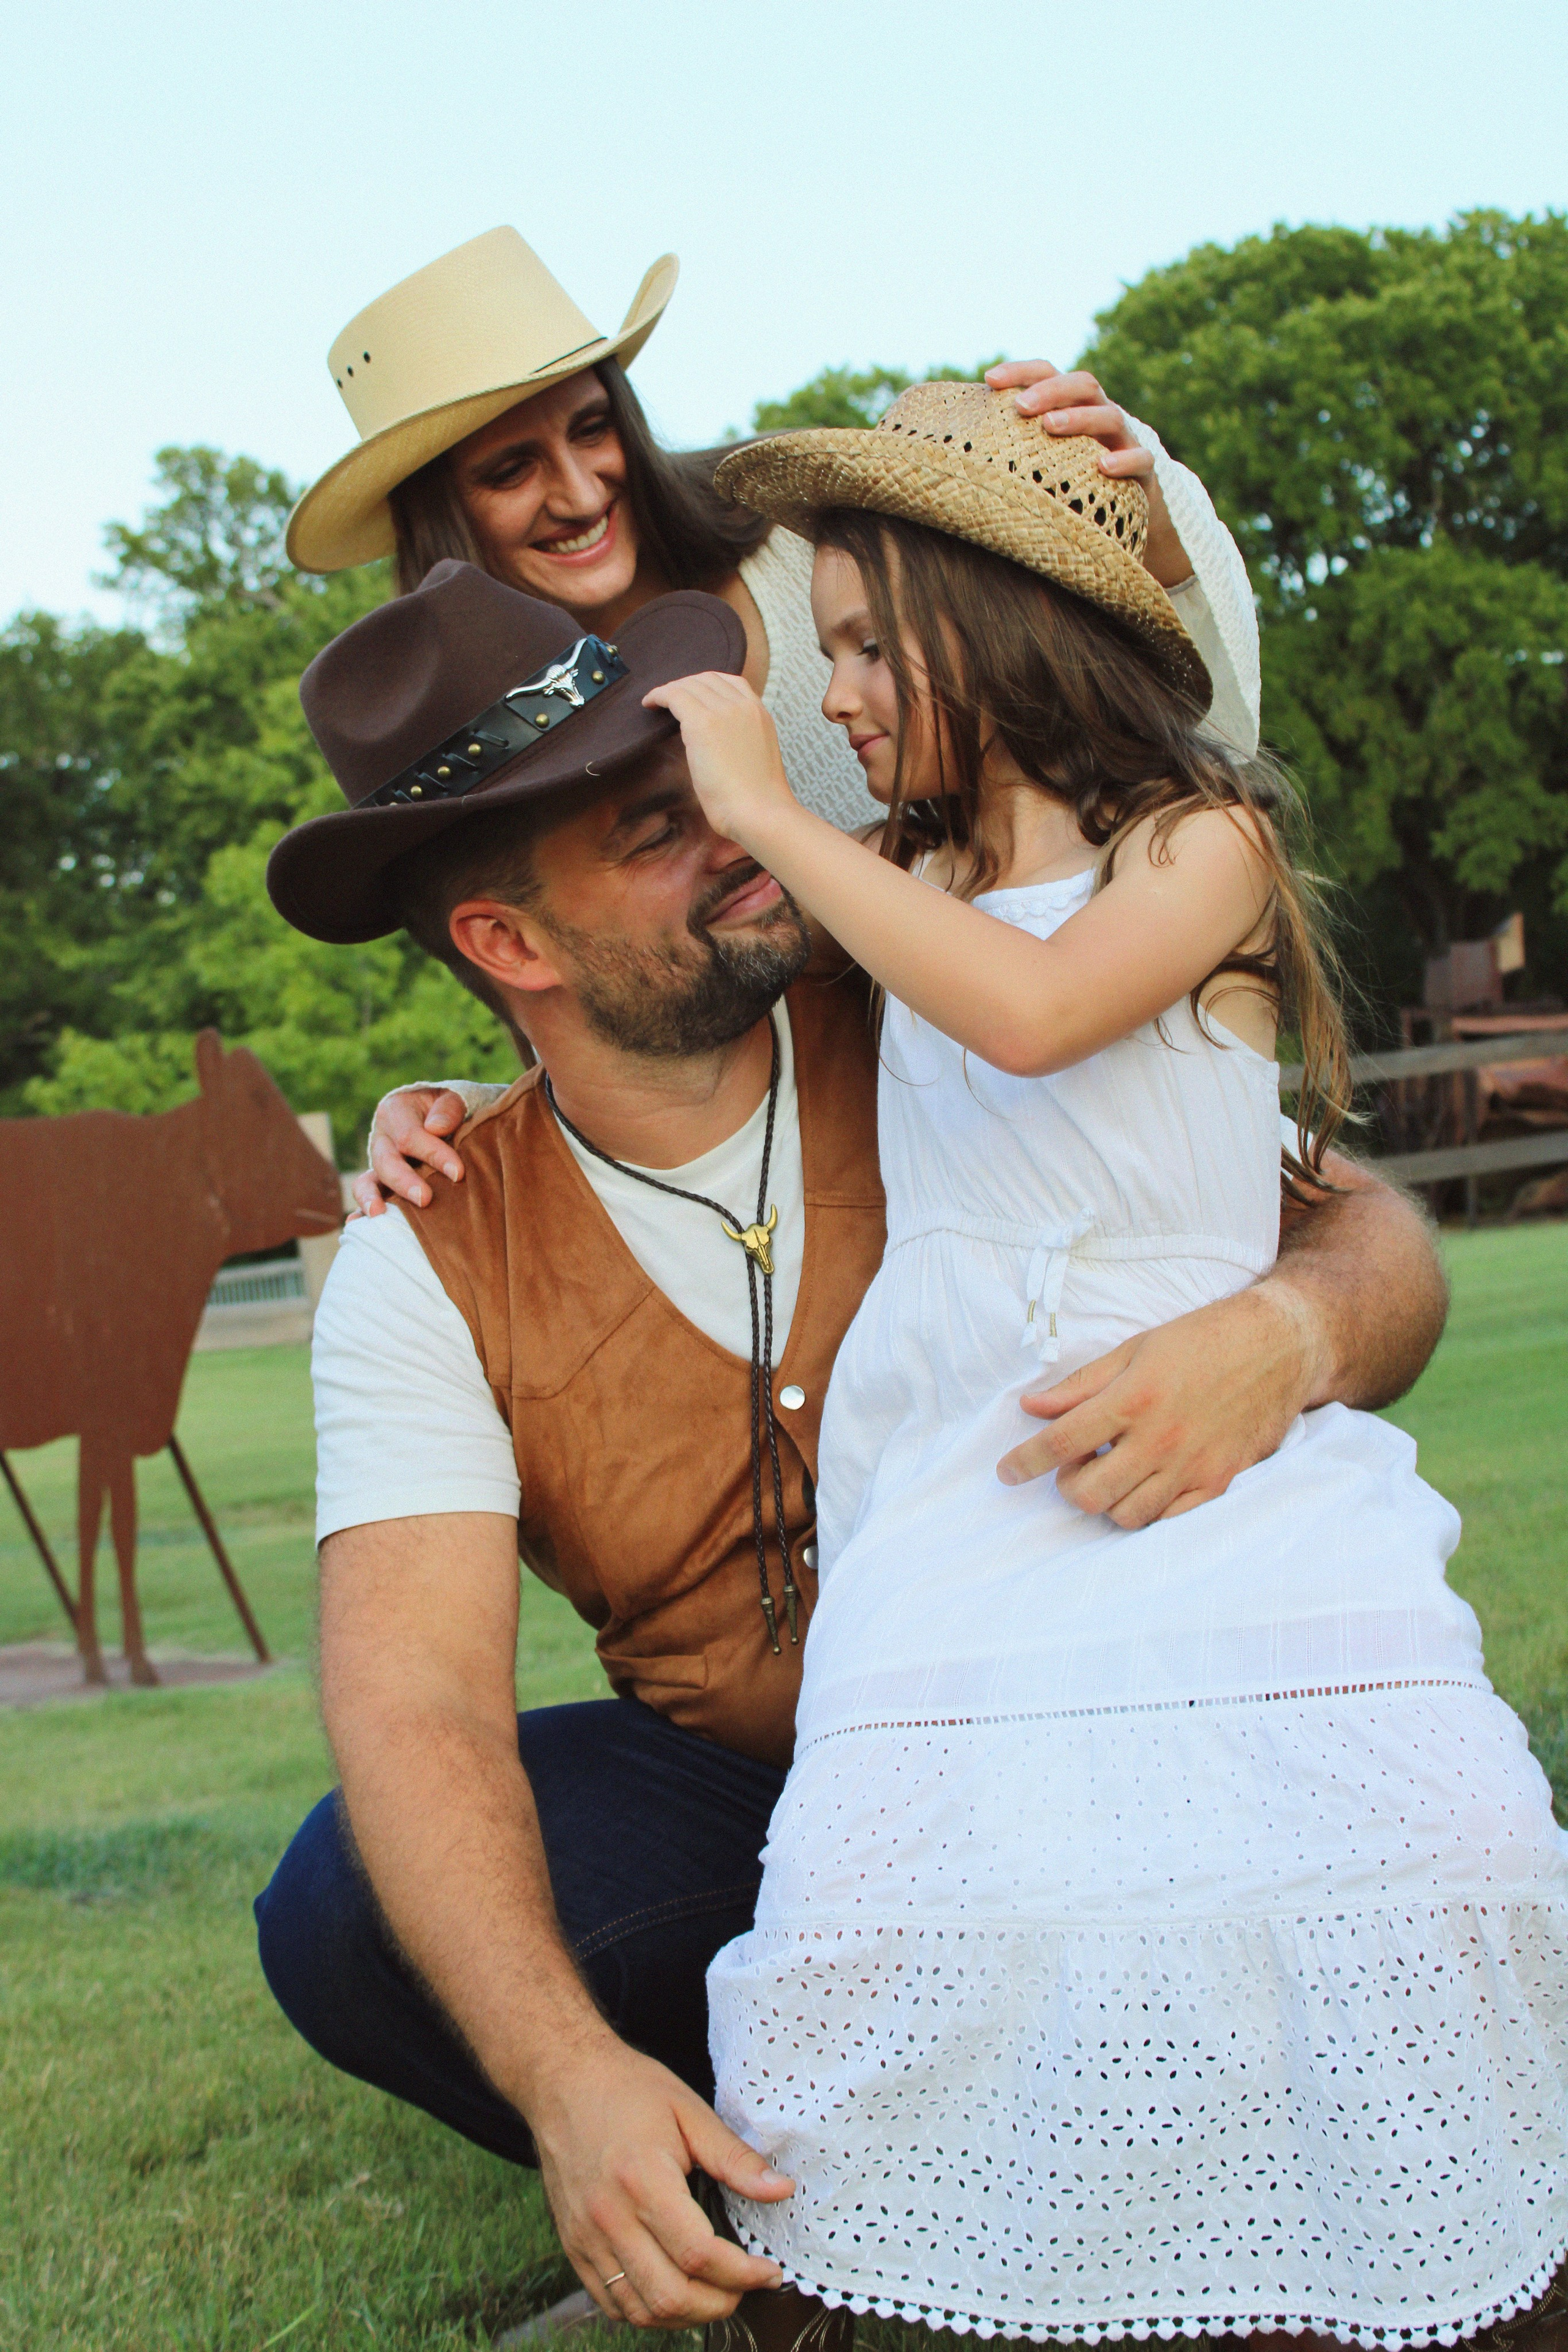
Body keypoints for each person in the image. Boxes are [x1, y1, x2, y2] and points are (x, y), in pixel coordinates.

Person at [254, 548, 1450, 2340]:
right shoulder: (434, 1245)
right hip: (780, 1798)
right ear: (508, 945)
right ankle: (744, 2192)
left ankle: (1123, 2160)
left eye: (706, 787)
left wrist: (1280, 1339)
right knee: (347, 1901)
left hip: (1102, 1695)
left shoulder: (927, 971)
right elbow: (414, 1694)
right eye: (656, 833)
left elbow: (1366, 1235)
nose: (742, 837)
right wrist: (563, 2073)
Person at [610, 379, 1568, 2351]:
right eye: (824, 655)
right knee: (919, 1901)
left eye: (869, 648)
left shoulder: (1199, 844)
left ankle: (1380, 2247)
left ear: (998, 624)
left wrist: (770, 809)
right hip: (969, 1476)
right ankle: (981, 2272)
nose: (836, 696)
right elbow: (659, 1015)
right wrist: (434, 1114)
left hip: (1216, 1458)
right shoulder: (906, 881)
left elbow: (1043, 1017)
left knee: (1410, 1846)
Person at [286, 224, 1262, 868]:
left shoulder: (818, 539)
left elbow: (1177, 739)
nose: (579, 494)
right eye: (510, 471)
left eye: (592, 428)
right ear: (441, 521)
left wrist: (1152, 537)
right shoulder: (485, 745)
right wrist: (463, 1100)